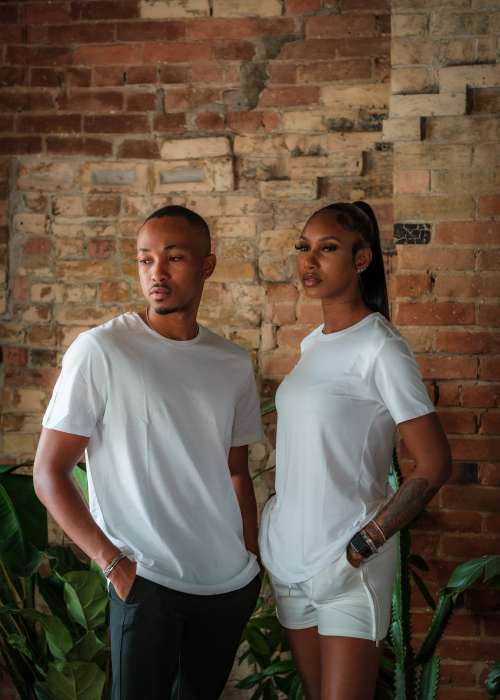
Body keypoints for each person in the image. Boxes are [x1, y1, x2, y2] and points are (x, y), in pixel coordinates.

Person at [34, 205, 263, 700]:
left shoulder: (231, 362)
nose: (156, 273)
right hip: (146, 580)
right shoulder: (102, 351)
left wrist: (251, 561)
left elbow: (236, 473)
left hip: (227, 584)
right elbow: (49, 473)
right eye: (145, 259)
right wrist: (113, 564)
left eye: (174, 258)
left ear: (207, 266)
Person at [259, 201, 451, 700]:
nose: (309, 261)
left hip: (347, 563)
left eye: (328, 249)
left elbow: (434, 464)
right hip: (288, 558)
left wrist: (364, 544)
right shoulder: (311, 346)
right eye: (304, 248)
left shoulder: (382, 348)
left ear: (361, 259)